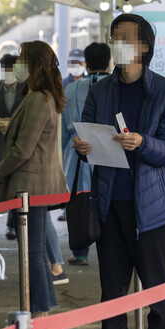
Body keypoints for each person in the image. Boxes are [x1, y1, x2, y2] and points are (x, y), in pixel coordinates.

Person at [74, 13, 165, 329]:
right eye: (113, 37)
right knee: (112, 294)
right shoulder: (101, 90)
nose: (117, 43)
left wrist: (143, 143)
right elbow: (87, 134)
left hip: (151, 207)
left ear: (144, 47)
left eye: (125, 38)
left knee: (157, 295)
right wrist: (82, 147)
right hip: (109, 204)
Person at [0, 41, 69, 318]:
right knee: (34, 249)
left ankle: (38, 307)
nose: (17, 65)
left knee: (33, 250)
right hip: (35, 186)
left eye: (23, 59)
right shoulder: (41, 96)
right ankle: (44, 303)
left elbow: (23, 149)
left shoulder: (37, 99)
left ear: (35, 66)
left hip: (31, 187)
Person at [61, 42, 112, 265]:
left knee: (80, 202)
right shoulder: (113, 86)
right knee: (108, 202)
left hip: (76, 153)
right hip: (108, 150)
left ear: (86, 63)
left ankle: (80, 251)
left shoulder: (71, 89)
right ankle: (109, 249)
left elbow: (63, 129)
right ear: (109, 61)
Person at [0, 54, 26, 240]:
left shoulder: (25, 90)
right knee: (2, 177)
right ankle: (11, 220)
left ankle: (13, 223)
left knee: (16, 181)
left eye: (10, 69)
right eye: (4, 68)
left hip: (18, 141)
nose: (7, 73)